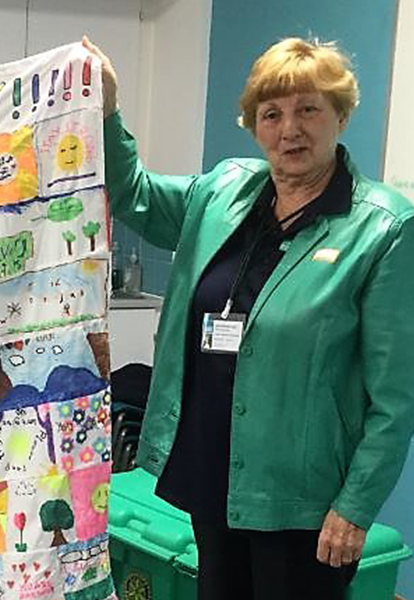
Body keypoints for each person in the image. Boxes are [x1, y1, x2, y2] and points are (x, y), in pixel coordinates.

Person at [84, 35, 414, 600]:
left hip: (300, 502)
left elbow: (396, 394)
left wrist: (355, 507)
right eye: (272, 113)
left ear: (340, 114)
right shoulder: (225, 191)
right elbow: (133, 194)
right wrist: (108, 110)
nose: (291, 128)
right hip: (212, 473)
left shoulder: (382, 228)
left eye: (309, 108)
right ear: (254, 124)